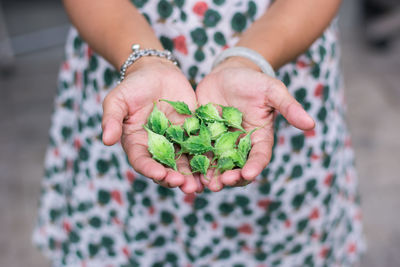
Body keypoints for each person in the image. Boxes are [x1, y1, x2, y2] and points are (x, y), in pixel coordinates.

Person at [33, 0, 365, 266]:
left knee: (284, 244)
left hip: (276, 64)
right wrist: (142, 62)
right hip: (125, 62)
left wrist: (248, 60)